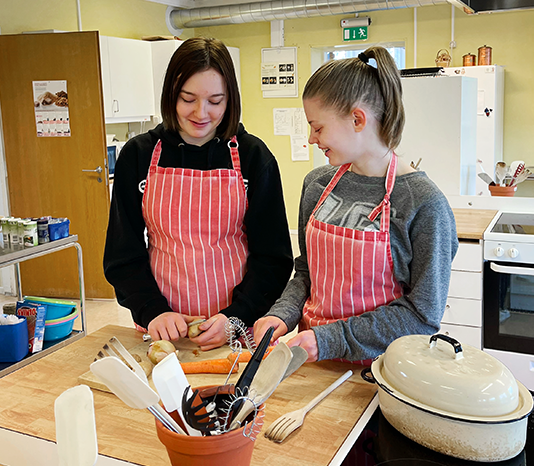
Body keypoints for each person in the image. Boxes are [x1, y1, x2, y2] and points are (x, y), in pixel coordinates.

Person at [253, 46, 458, 363]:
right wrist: (282, 315)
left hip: (383, 372)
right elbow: (307, 273)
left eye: (318, 127)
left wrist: (330, 339)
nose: (311, 138)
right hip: (312, 362)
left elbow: (422, 316)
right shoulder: (317, 185)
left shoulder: (424, 204)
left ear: (358, 119)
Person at [104, 37, 293, 351]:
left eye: (215, 101)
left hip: (235, 333)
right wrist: (153, 309)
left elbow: (273, 258)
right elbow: (123, 255)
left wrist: (236, 316)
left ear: (230, 99)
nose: (200, 113)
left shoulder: (253, 156)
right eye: (187, 98)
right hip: (161, 332)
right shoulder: (138, 156)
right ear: (170, 95)